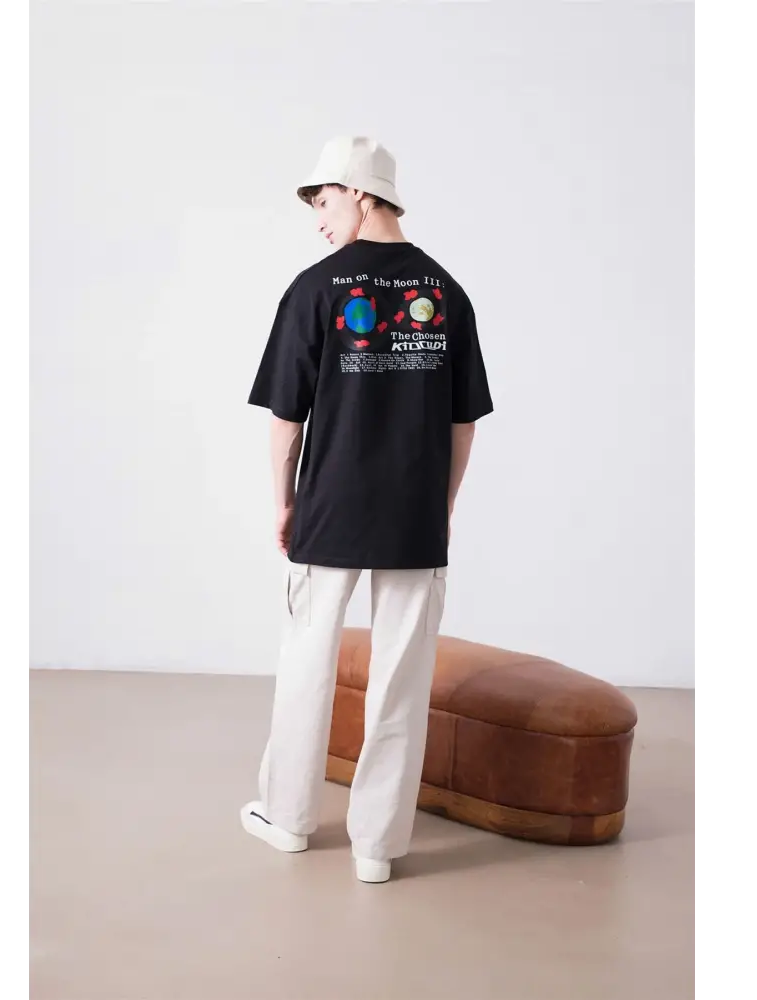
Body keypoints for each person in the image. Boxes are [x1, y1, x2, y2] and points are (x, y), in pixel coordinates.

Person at [242, 136, 493, 883]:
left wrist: (285, 501)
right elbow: (463, 424)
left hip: (330, 506)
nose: (319, 220)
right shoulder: (446, 291)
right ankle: (377, 847)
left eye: (323, 202)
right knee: (401, 679)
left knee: (306, 664)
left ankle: (288, 819)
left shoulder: (315, 288)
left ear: (358, 191)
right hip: (414, 514)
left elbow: (286, 420)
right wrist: (443, 505)